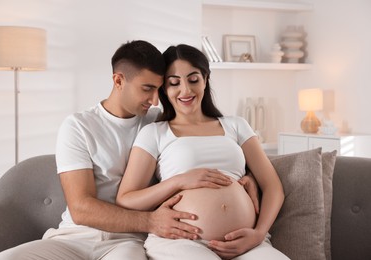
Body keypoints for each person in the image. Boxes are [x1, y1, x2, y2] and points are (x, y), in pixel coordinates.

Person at [0, 40, 259, 260]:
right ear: (118, 81)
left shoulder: (158, 122)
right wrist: (152, 222)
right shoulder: (79, 126)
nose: (155, 99)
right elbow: (82, 208)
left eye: (158, 89)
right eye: (147, 89)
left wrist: (249, 179)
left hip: (128, 242)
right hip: (75, 237)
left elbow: (201, 145)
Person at [116, 44, 289, 260]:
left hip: (247, 244)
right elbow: (126, 199)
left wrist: (258, 234)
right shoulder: (154, 133)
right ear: (164, 90)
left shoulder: (236, 125)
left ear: (205, 79)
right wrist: (179, 181)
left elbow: (273, 187)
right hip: (182, 242)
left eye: (193, 79)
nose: (185, 90)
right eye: (174, 83)